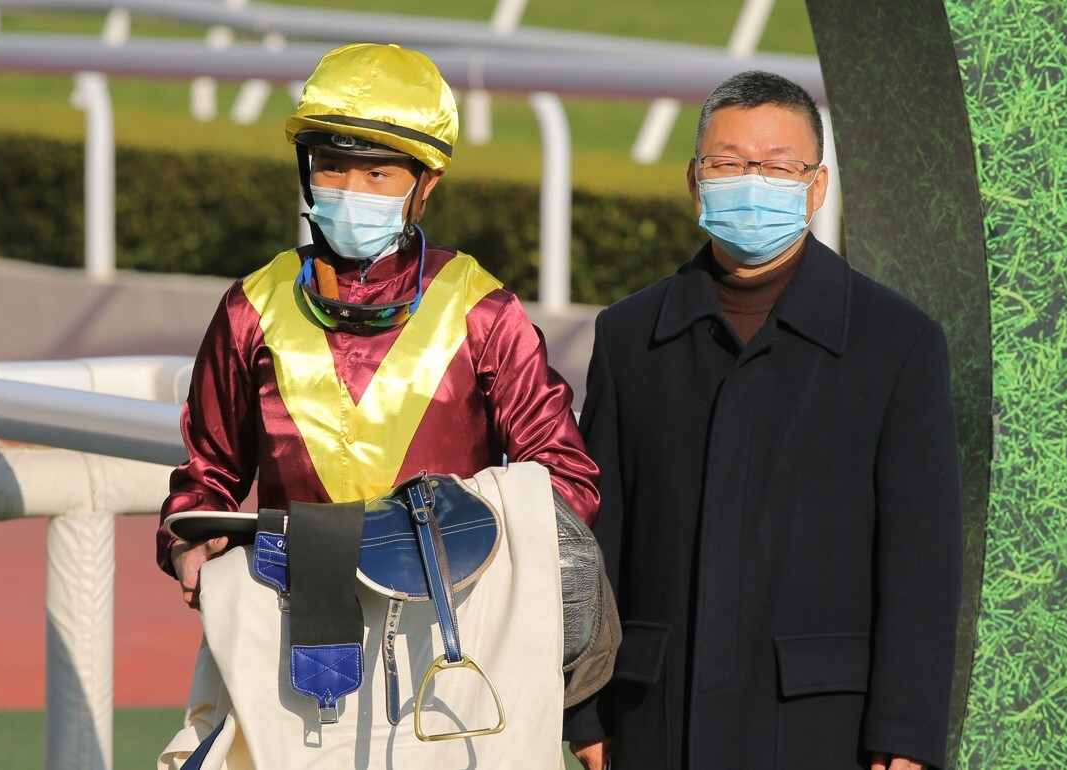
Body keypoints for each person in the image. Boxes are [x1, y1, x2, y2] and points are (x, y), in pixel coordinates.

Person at [565, 71, 963, 769]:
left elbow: (921, 564)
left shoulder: (897, 342)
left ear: (816, 185)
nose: (752, 181)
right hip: (654, 715)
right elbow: (598, 538)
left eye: (778, 166)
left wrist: (904, 736)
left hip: (820, 725)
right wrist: (586, 707)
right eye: (728, 163)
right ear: (695, 181)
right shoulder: (630, 336)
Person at [156, 42, 599, 606]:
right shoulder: (252, 306)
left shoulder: (483, 311)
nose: (348, 191)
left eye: (378, 174)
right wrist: (185, 541)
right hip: (293, 612)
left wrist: (476, 548)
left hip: (448, 621)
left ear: (426, 183)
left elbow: (564, 478)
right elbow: (207, 473)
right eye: (331, 167)